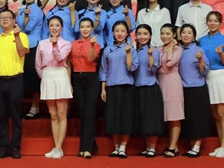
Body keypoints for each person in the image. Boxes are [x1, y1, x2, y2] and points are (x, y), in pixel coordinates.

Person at [0, 9, 29, 159]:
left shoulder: (22, 36)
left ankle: (16, 148)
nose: (4, 20)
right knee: (1, 116)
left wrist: (17, 36)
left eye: (8, 17)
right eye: (2, 18)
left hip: (15, 80)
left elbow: (22, 53)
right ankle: (4, 147)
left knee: (15, 115)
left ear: (14, 21)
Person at [99, 20, 139, 159]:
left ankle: (123, 147)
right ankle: (116, 147)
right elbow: (103, 70)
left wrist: (128, 53)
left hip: (127, 86)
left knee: (126, 117)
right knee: (113, 117)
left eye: (122, 31)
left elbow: (132, 68)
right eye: (117, 31)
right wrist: (103, 88)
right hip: (111, 86)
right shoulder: (107, 49)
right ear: (113, 33)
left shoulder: (131, 49)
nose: (120, 34)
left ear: (127, 33)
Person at [35, 16, 73, 159]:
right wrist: (44, 77)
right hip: (47, 76)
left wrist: (55, 44)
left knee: (62, 114)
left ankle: (59, 147)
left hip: (60, 75)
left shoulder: (66, 44)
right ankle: (56, 147)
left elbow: (60, 58)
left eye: (57, 25)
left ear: (61, 27)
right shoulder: (42, 43)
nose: (54, 28)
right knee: (53, 114)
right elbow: (38, 63)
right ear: (48, 27)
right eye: (52, 25)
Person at [200, 11, 224, 158]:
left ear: (220, 24)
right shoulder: (201, 40)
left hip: (220, 76)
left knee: (222, 113)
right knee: (215, 114)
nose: (212, 23)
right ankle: (222, 146)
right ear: (206, 23)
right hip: (207, 77)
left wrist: (220, 53)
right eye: (210, 20)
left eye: (215, 21)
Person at [178, 24, 212, 158]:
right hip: (182, 88)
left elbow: (204, 71)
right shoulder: (178, 50)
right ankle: (192, 146)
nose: (186, 35)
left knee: (199, 118)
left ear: (194, 36)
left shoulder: (199, 50)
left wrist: (200, 60)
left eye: (189, 33)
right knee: (189, 118)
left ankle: (197, 147)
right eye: (183, 32)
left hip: (197, 88)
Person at [70, 18, 101, 159]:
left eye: (88, 26)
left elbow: (91, 59)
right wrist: (69, 83)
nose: (85, 29)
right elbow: (69, 64)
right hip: (77, 79)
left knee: (89, 113)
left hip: (91, 79)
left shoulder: (96, 44)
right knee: (83, 113)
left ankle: (86, 149)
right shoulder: (73, 44)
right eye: (82, 27)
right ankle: (89, 146)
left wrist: (92, 45)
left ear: (92, 29)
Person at [133, 24, 164, 158]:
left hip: (151, 87)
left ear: (150, 36)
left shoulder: (154, 50)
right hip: (138, 87)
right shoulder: (135, 51)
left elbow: (153, 69)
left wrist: (150, 55)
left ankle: (152, 147)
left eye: (145, 34)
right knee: (143, 118)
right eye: (139, 34)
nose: (142, 37)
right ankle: (147, 147)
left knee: (152, 118)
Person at [16, 0, 45, 119]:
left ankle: (35, 107)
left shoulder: (37, 10)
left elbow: (28, 28)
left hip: (33, 45)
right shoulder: (22, 10)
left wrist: (26, 16)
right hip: (20, 44)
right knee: (22, 77)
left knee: (32, 77)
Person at [158, 24, 184, 158]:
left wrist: (172, 48)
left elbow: (169, 63)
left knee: (174, 115)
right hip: (160, 81)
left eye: (168, 34)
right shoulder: (158, 49)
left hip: (173, 82)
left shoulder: (178, 49)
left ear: (174, 35)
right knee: (167, 115)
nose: (164, 36)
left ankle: (173, 146)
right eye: (162, 33)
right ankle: (172, 145)